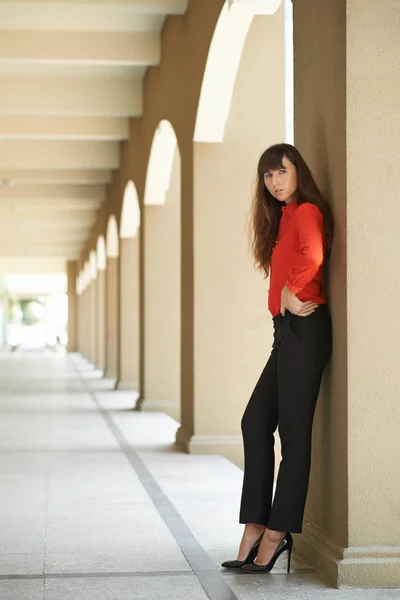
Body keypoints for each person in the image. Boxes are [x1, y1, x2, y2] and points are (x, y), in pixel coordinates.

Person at [221, 143, 334, 574]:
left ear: (298, 172)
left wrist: (291, 291)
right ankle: (256, 521)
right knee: (255, 421)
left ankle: (275, 533)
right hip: (285, 334)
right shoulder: (283, 219)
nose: (275, 182)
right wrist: (282, 301)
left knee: (293, 434)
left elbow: (315, 256)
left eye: (281, 172)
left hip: (305, 330)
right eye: (268, 176)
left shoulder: (306, 212)